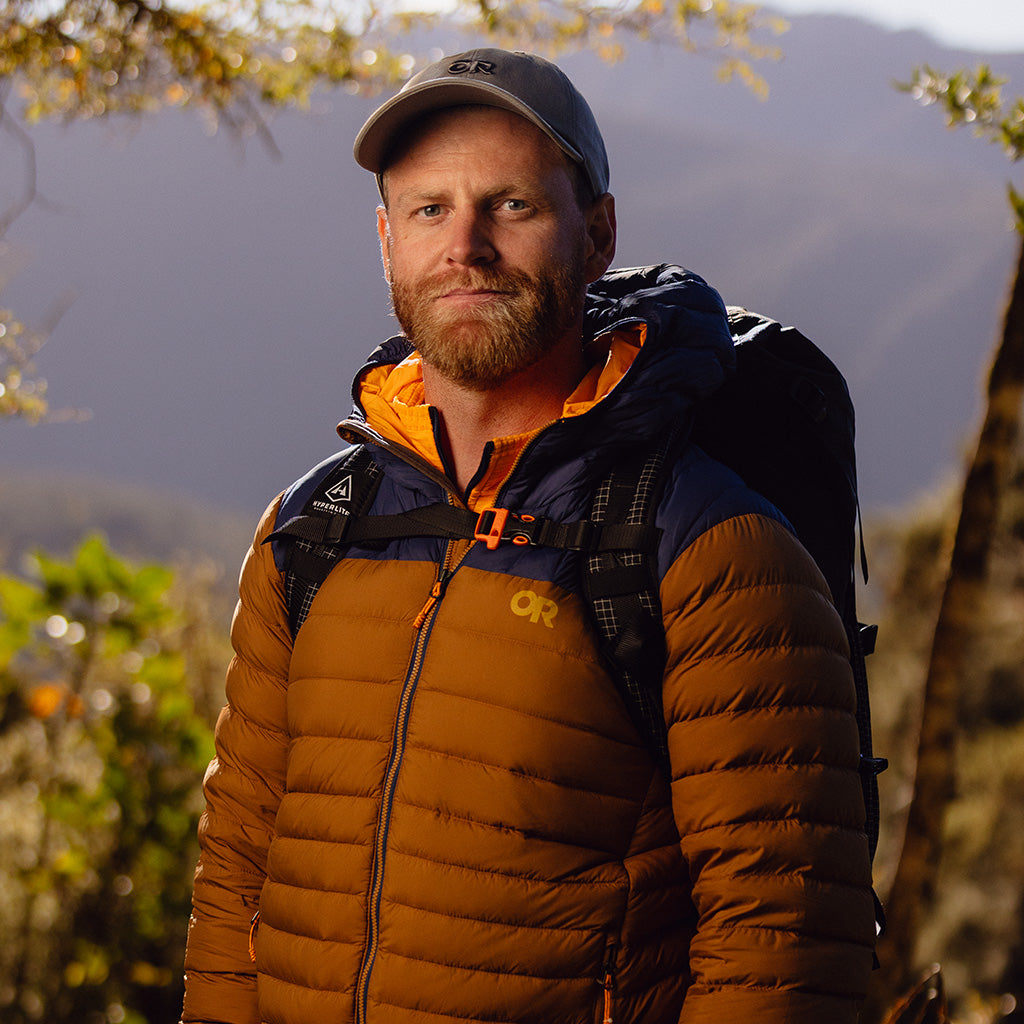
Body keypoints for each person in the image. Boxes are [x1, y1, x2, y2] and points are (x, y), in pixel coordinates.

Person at [181, 47, 876, 1024]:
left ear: (596, 235)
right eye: (429, 209)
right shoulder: (312, 532)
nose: (464, 245)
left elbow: (781, 951)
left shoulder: (709, 552)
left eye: (510, 205)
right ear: (387, 240)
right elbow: (236, 878)